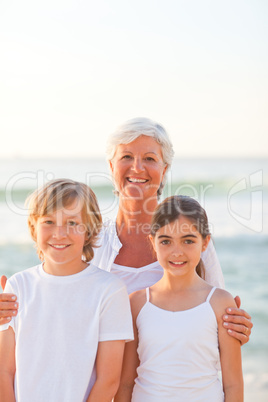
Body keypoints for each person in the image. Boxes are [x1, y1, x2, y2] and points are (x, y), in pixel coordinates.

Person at [0, 117, 253, 342]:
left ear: (164, 170)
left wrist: (236, 327)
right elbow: (50, 306)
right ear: (111, 167)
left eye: (150, 159)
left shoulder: (190, 244)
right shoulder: (85, 239)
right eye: (126, 157)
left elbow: (221, 320)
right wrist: (9, 310)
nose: (137, 168)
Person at [0, 179, 133, 402]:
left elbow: (108, 380)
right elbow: (4, 371)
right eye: (49, 222)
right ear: (34, 227)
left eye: (72, 223)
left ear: (89, 231)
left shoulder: (109, 291)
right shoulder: (18, 286)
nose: (59, 233)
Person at [115, 195, 244, 401]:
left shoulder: (220, 303)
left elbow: (233, 385)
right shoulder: (137, 303)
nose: (177, 252)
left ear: (205, 243)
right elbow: (126, 383)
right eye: (166, 241)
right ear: (153, 242)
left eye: (188, 241)